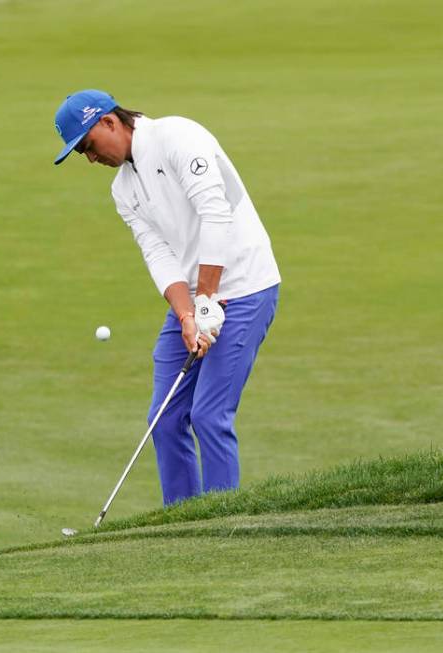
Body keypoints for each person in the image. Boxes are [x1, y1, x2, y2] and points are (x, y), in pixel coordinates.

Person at [52, 89, 281, 505]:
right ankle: (182, 522)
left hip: (246, 285)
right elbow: (158, 253)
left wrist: (208, 300)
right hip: (196, 298)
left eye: (87, 146)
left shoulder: (177, 136)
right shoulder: (123, 189)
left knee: (209, 416)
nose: (90, 159)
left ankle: (221, 523)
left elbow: (216, 214)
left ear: (109, 122)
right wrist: (186, 314)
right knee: (166, 416)